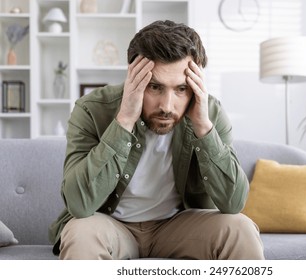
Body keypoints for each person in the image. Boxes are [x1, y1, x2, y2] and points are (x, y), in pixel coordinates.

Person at [49, 20, 264, 260]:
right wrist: (124, 120)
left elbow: (233, 203)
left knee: (240, 229)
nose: (166, 106)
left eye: (181, 89)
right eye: (154, 86)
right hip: (111, 224)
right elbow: (78, 204)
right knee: (80, 234)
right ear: (133, 76)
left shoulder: (210, 112)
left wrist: (203, 127)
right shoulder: (91, 109)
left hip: (177, 227)